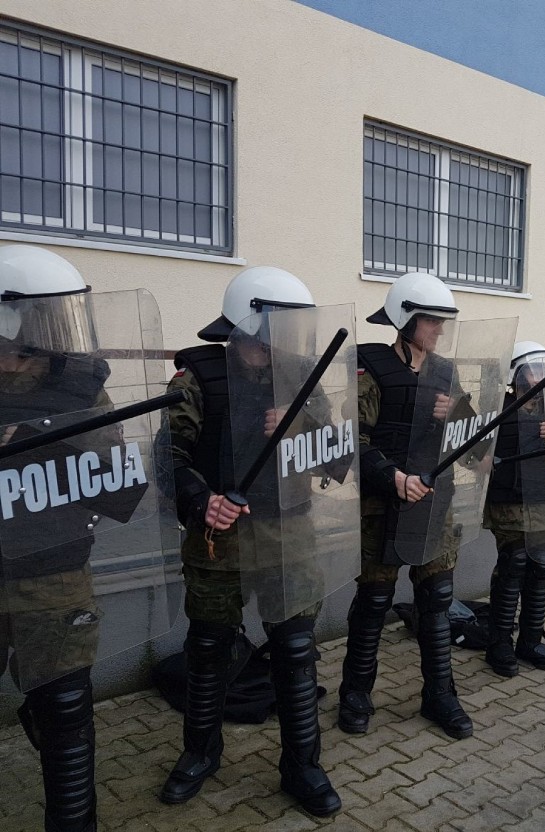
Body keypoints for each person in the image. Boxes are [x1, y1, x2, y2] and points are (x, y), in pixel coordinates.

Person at [159, 266, 342, 817]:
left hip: (289, 531)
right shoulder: (196, 378)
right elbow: (167, 459)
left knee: (294, 648)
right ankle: (200, 751)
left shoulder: (303, 377)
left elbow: (337, 456)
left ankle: (303, 764)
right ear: (249, 321)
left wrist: (301, 427)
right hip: (223, 534)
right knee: (210, 647)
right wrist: (200, 501)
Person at [0, 244, 112, 832]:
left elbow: (117, 477)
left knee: (66, 708)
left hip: (56, 572)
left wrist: (47, 441)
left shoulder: (81, 389)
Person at [337, 271, 474, 740]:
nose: (439, 331)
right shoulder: (369, 367)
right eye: (432, 322)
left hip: (434, 504)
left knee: (436, 599)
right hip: (382, 505)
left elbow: (472, 440)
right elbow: (353, 441)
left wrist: (455, 413)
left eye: (443, 323)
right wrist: (392, 477)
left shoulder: (445, 374)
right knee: (374, 600)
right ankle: (355, 693)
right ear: (405, 319)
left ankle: (440, 694)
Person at [481, 341, 545, 677]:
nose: (540, 376)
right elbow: (478, 452)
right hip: (511, 503)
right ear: (516, 374)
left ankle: (530, 638)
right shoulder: (498, 407)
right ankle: (499, 642)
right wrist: (483, 460)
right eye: (533, 369)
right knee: (514, 566)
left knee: (541, 567)